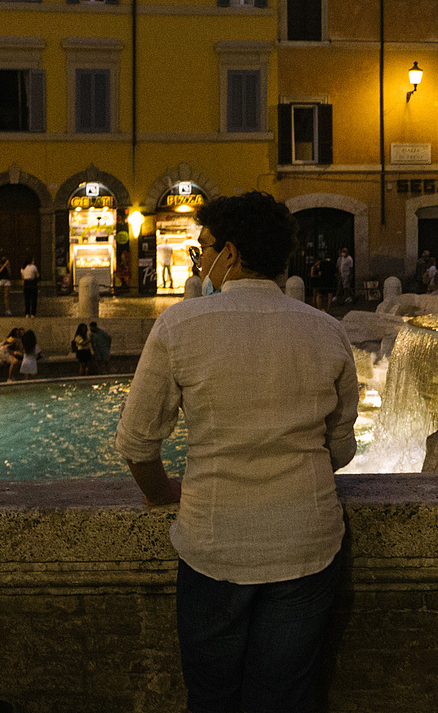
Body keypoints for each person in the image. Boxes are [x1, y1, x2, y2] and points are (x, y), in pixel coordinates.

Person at [115, 191, 359, 713]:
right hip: (306, 543)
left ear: (229, 253)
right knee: (285, 696)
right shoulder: (328, 331)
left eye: (202, 248)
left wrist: (164, 494)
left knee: (212, 697)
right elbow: (339, 449)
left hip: (213, 542)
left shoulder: (179, 326)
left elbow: (137, 442)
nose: (199, 260)